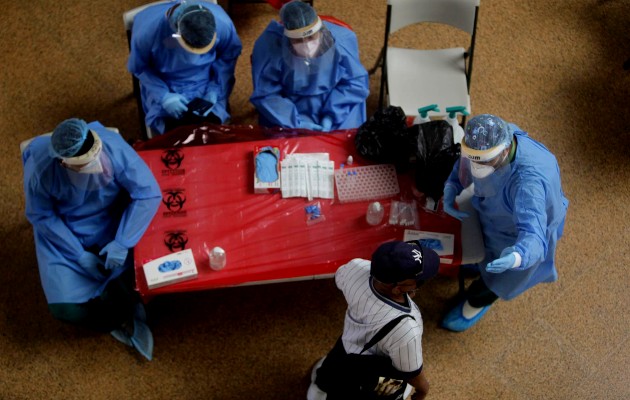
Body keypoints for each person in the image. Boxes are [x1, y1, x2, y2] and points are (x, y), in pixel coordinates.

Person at [22, 119, 162, 359]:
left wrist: (122, 242)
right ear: (63, 162)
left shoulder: (113, 146)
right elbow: (42, 216)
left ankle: (125, 302)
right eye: (87, 164)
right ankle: (112, 320)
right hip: (64, 232)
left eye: (97, 156)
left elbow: (148, 193)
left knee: (145, 272)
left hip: (112, 219)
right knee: (66, 309)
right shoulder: (42, 170)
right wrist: (77, 254)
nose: (100, 168)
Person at [440, 114, 569, 332]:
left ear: (505, 151)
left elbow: (533, 235)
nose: (475, 167)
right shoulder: (487, 136)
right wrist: (452, 186)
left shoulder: (530, 184)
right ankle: (478, 265)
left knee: (499, 278)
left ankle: (476, 302)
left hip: (515, 236)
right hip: (494, 216)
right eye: (473, 159)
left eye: (483, 162)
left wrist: (518, 256)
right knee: (481, 250)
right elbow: (466, 165)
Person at [307, 241, 440, 400]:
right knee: (386, 391)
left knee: (330, 371)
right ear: (397, 288)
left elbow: (340, 279)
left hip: (346, 345)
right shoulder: (407, 326)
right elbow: (410, 371)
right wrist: (423, 389)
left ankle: (320, 388)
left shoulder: (355, 267)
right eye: (419, 281)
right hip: (375, 368)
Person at [250, 0, 369, 131]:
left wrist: (331, 115)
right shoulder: (269, 48)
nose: (306, 45)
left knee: (346, 143)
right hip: (290, 106)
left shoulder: (342, 41)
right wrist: (296, 122)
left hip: (339, 100)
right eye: (298, 40)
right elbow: (266, 94)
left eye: (311, 37)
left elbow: (356, 83)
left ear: (320, 30)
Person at [128, 0, 242, 134]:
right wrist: (163, 96)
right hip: (165, 84)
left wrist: (214, 89)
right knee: (175, 138)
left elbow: (228, 56)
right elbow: (140, 67)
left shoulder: (222, 22)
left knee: (212, 133)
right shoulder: (148, 32)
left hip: (206, 82)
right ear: (177, 34)